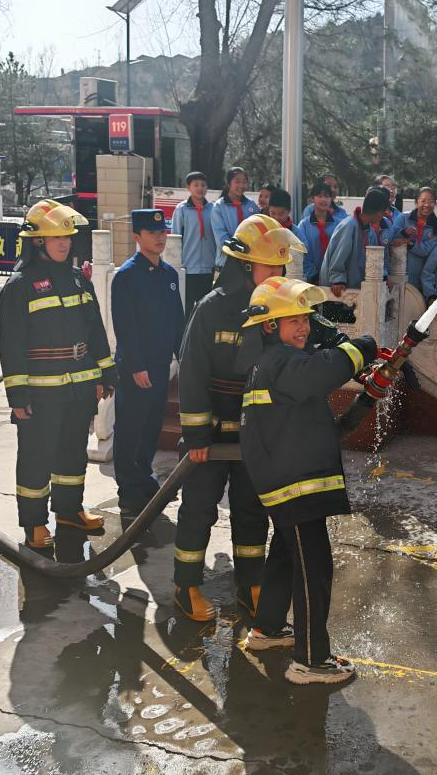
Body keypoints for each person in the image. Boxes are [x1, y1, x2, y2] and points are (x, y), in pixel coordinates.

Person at [238, 276, 378, 684]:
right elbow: (325, 369)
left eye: (305, 319)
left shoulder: (283, 365)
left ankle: (267, 630)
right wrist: (363, 347)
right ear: (269, 326)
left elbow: (328, 431)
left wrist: (367, 398)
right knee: (313, 570)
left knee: (285, 557)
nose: (303, 327)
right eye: (293, 321)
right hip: (294, 487)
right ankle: (311, 660)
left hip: (293, 486)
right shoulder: (280, 363)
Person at [175, 214, 306, 621]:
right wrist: (197, 437)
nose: (278, 275)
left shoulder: (275, 311)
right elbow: (192, 373)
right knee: (199, 510)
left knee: (252, 510)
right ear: (246, 266)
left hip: (255, 437)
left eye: (282, 267)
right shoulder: (211, 309)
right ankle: (186, 585)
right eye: (271, 267)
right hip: (212, 438)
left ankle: (250, 584)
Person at [0, 199, 117, 552]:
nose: (64, 244)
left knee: (72, 455)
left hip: (79, 390)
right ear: (37, 241)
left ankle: (69, 511)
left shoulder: (79, 280)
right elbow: (11, 347)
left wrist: (106, 372)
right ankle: (34, 522)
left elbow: (95, 330)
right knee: (36, 457)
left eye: (67, 237)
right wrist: (18, 396)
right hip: (40, 393)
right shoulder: (19, 286)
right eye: (56, 238)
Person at [110, 209, 185, 516]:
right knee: (130, 429)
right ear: (137, 237)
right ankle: (128, 491)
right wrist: (136, 366)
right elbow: (125, 326)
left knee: (151, 426)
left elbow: (177, 321)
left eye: (162, 232)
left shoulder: (168, 275)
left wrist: (184, 357)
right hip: (135, 368)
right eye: (152, 233)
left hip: (159, 365)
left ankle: (144, 478)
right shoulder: (127, 276)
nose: (159, 237)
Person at [323, 188, 393, 294]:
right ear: (379, 213)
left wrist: (383, 278)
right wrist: (337, 280)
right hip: (338, 288)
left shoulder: (370, 230)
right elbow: (338, 255)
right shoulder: (348, 225)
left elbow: (374, 258)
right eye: (384, 213)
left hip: (356, 288)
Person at [170, 171, 216, 320]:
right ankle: (186, 334)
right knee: (187, 308)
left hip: (208, 267)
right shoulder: (181, 210)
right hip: (188, 267)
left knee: (205, 308)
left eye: (203, 185)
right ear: (188, 187)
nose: (200, 188)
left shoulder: (213, 209)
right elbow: (175, 238)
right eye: (196, 185)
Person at [296, 180, 343, 284]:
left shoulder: (339, 225)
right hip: (311, 280)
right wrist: (313, 276)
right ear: (312, 198)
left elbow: (342, 252)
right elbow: (302, 253)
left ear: (331, 199)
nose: (324, 199)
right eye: (320, 196)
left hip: (335, 281)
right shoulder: (304, 225)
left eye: (327, 196)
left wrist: (337, 277)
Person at [209, 167, 259, 267]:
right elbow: (221, 239)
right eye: (237, 181)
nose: (241, 185)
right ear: (228, 184)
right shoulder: (219, 207)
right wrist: (239, 248)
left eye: (244, 182)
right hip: (227, 263)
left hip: (249, 262)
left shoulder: (251, 205)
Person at [402, 186, 437, 287]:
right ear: (416, 202)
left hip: (421, 277)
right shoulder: (404, 218)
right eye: (423, 201)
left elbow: (426, 250)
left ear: (435, 204)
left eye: (431, 201)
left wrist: (409, 243)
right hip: (399, 273)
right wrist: (403, 233)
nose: (427, 205)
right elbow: (393, 238)